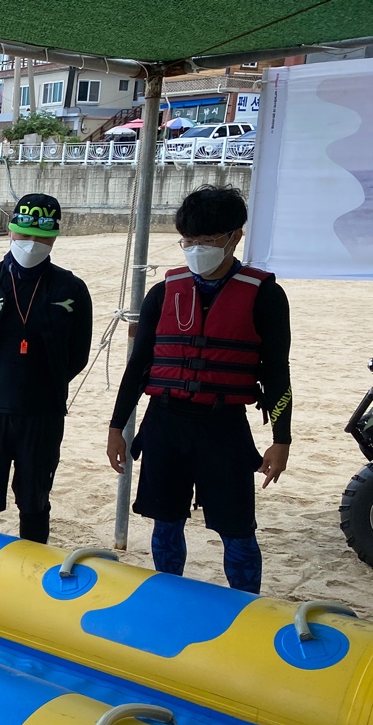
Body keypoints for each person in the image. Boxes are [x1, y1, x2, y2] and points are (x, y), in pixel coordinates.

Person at [107, 185, 291, 593]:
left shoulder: (266, 296)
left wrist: (282, 440)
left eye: (207, 241)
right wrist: (117, 426)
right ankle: (169, 596)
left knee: (238, 530)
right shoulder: (163, 292)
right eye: (189, 241)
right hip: (165, 423)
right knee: (166, 522)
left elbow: (278, 373)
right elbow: (139, 365)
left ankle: (246, 606)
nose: (196, 249)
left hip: (223, 426)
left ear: (234, 236)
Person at [0, 193, 93, 543]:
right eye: (23, 234)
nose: (31, 243)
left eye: (41, 236)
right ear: (11, 232)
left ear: (55, 236)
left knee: (35, 504)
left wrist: (42, 386)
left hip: (43, 414)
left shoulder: (71, 289)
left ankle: (31, 574)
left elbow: (77, 356)